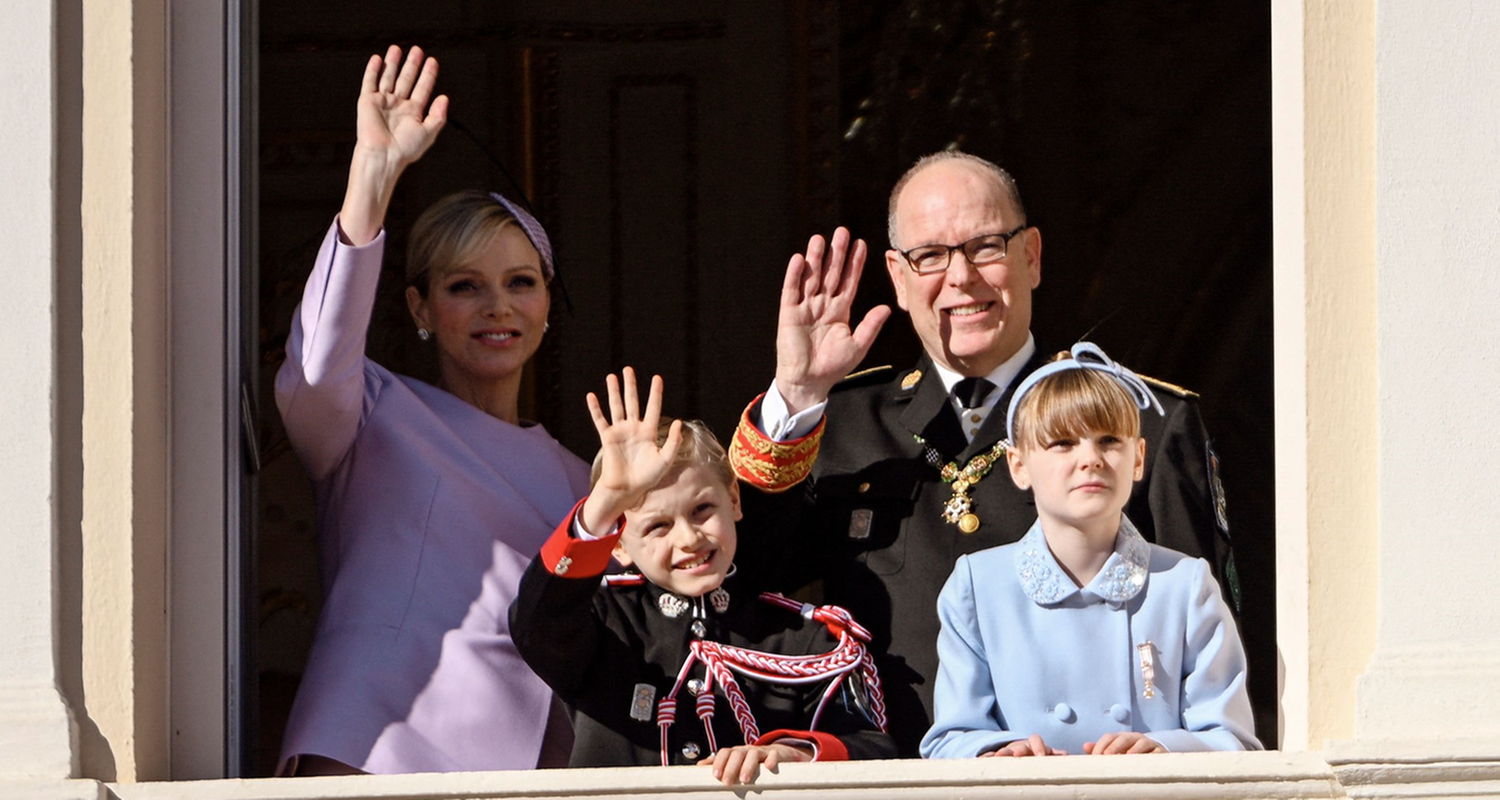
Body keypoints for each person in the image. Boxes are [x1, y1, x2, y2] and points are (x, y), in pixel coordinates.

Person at [728, 150, 1235, 756]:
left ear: (1032, 256)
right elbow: (742, 589)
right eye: (931, 256)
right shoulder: (835, 425)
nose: (961, 277)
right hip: (879, 781)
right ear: (898, 275)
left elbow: (1211, 650)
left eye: (986, 246)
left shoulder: (1141, 418)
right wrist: (798, 393)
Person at [274, 45, 588, 775]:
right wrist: (372, 177)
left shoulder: (586, 480)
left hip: (523, 769)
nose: (498, 306)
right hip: (374, 745)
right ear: (419, 306)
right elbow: (316, 368)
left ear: (547, 306)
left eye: (520, 282)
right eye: (464, 286)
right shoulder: (368, 412)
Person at [510, 369, 896, 786]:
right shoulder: (603, 622)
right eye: (658, 526)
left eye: (702, 510)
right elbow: (535, 625)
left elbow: (873, 748)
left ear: (733, 499)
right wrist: (602, 506)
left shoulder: (804, 637)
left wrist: (791, 751)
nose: (689, 538)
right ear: (618, 543)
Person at [920, 343, 1260, 758]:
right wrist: (996, 755)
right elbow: (950, 737)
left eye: (1109, 440)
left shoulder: (1185, 585)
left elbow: (1234, 739)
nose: (1091, 459)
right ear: (1018, 465)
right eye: (1062, 442)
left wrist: (1163, 749)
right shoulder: (978, 585)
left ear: (1138, 458)